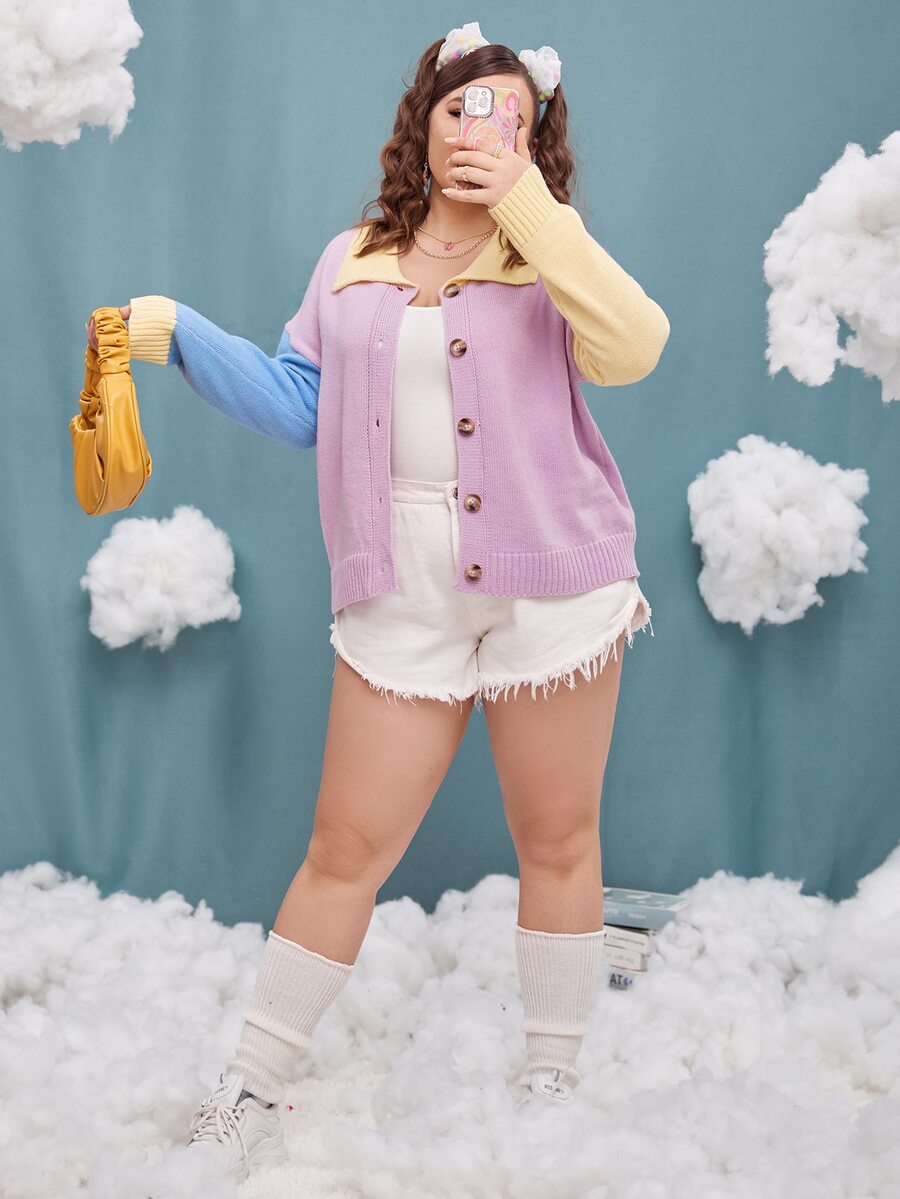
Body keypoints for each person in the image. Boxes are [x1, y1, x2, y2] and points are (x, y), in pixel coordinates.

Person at [88, 21, 669, 1184]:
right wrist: (174, 332)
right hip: (400, 580)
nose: (477, 128)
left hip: (554, 573)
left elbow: (634, 347)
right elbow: (299, 401)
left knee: (557, 836)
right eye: (460, 106)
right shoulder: (351, 258)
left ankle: (551, 1073)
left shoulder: (549, 255)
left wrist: (530, 210)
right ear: (424, 119)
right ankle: (248, 1088)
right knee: (344, 844)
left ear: (534, 138)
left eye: (507, 114)